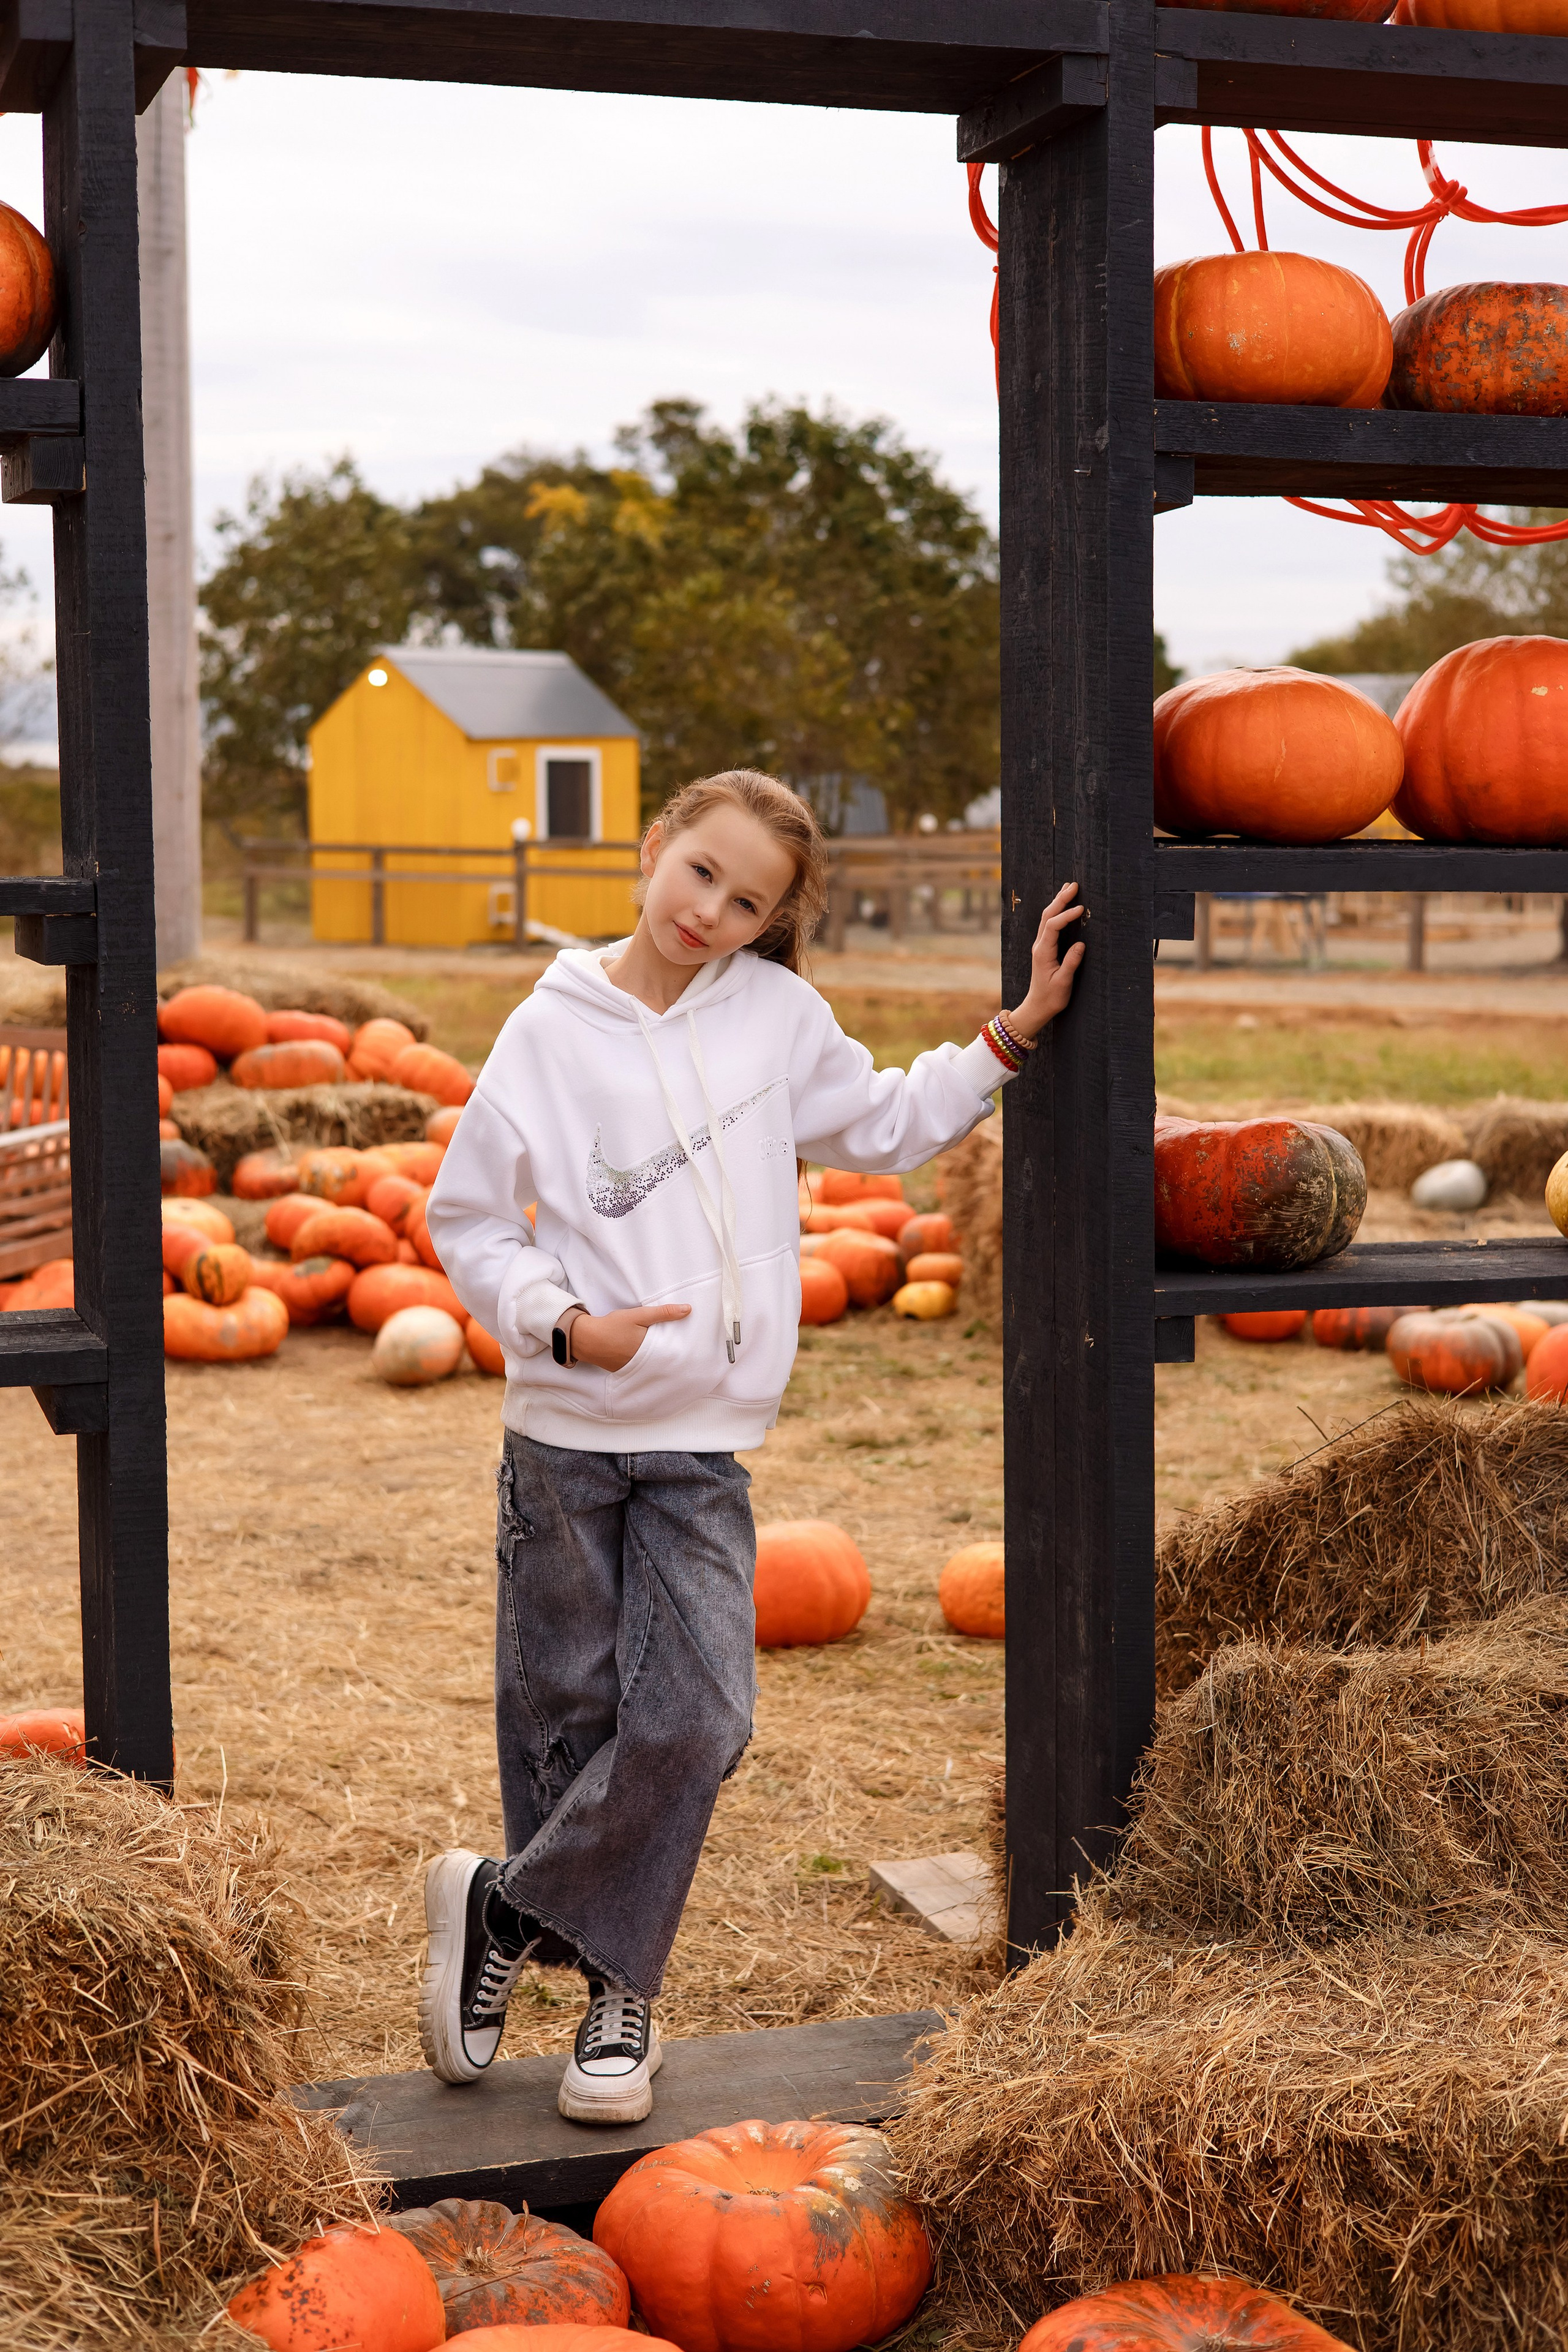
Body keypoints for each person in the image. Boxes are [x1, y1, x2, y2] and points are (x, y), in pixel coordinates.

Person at [419, 767, 1084, 2124]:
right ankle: (615, 1994)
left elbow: (885, 1124)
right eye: (698, 873)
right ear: (653, 850)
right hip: (560, 1430)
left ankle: (502, 1908)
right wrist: (559, 1322)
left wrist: (1009, 1035)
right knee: (565, 1720)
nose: (709, 910)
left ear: (774, 921)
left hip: (700, 1436)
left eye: (747, 900)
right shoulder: (547, 1032)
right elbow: (470, 1221)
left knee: (703, 1711)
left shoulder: (776, 1020)